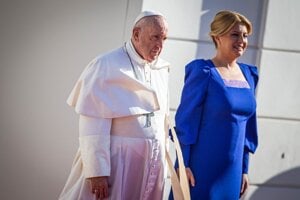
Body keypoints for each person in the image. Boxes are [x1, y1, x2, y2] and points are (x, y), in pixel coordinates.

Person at [59, 10, 170, 200]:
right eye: (155, 37)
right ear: (136, 34)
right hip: (116, 164)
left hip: (148, 164)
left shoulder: (160, 68)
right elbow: (92, 124)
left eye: (164, 39)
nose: (160, 45)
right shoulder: (105, 65)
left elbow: (162, 121)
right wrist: (97, 171)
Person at [171, 10, 259, 200]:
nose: (242, 40)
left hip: (233, 173)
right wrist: (182, 165)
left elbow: (248, 128)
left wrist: (244, 169)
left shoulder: (249, 75)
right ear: (217, 37)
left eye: (245, 35)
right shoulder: (203, 72)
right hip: (200, 169)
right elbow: (186, 122)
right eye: (234, 34)